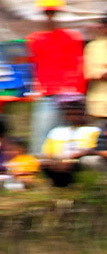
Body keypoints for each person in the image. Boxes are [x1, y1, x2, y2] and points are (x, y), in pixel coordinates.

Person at [25, 0, 86, 153]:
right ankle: (40, 161)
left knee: (68, 134)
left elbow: (79, 64)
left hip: (70, 94)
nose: (50, 17)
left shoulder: (72, 37)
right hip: (47, 93)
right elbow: (30, 65)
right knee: (43, 134)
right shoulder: (34, 40)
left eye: (53, 13)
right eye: (47, 13)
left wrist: (78, 91)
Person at [40, 96, 101, 187]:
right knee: (46, 163)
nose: (74, 117)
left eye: (77, 114)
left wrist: (72, 157)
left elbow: (93, 149)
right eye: (70, 114)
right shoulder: (56, 131)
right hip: (58, 160)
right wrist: (57, 160)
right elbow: (47, 152)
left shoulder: (93, 130)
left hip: (79, 160)